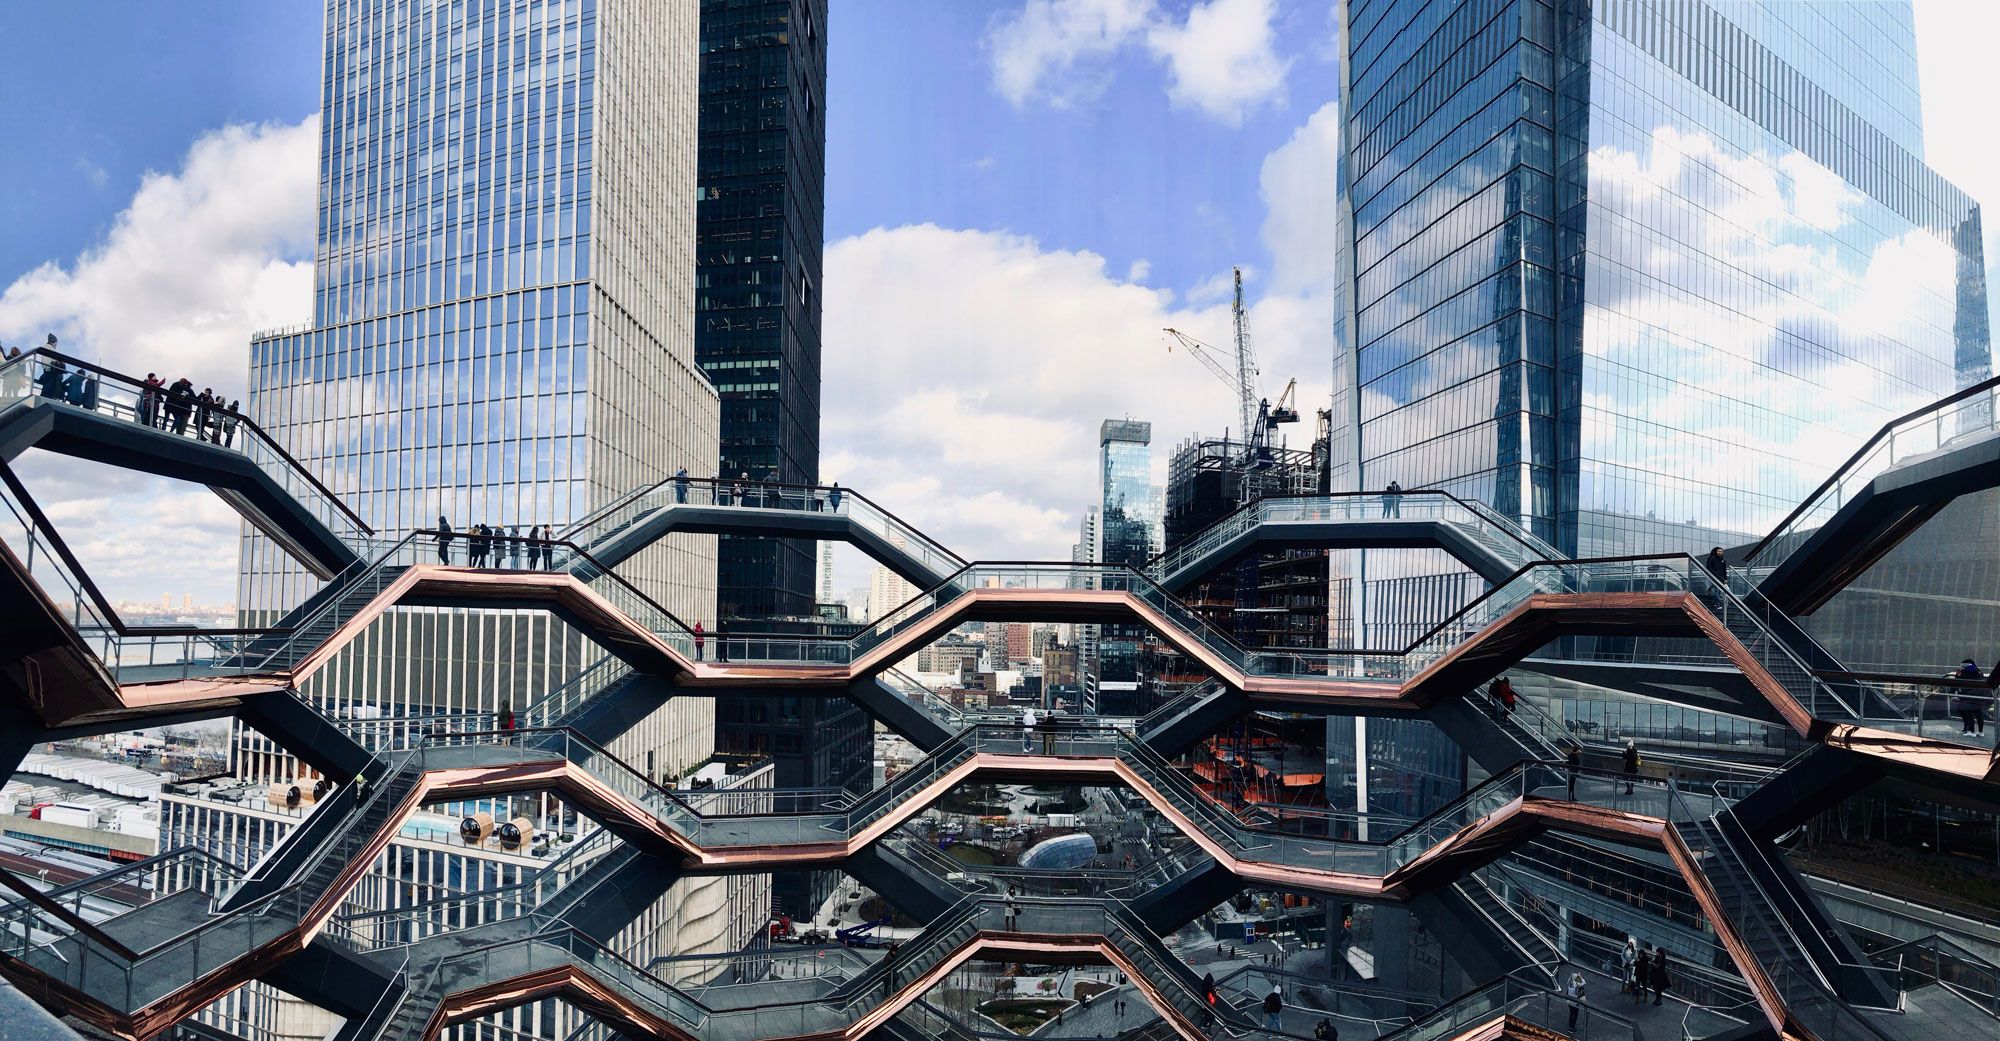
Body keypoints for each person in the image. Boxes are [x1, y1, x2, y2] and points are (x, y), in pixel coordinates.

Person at [1954, 659, 1985, 736]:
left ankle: (1970, 731)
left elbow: (1960, 681)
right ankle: (1979, 731)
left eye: (1963, 666)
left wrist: (1958, 675)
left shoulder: (1968, 672)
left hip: (1968, 696)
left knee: (1967, 712)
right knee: (1977, 713)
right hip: (1978, 696)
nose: (1962, 668)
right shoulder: (1978, 671)